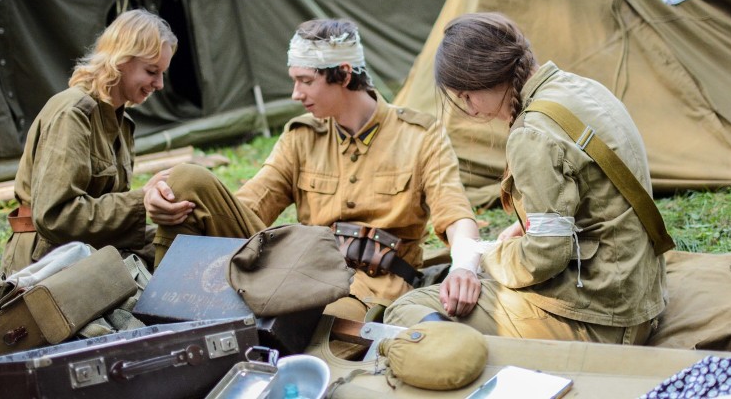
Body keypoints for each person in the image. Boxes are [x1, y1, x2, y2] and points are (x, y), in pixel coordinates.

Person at [145, 19, 481, 321]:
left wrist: (465, 267)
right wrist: (171, 197)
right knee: (186, 180)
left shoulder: (420, 135)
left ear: (344, 74)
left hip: (372, 287)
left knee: (312, 324)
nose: (295, 94)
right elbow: (247, 207)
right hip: (299, 271)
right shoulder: (301, 136)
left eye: (306, 81)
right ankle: (162, 312)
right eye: (295, 80)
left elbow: (455, 214)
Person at [384, 12, 669, 345]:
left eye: (464, 96)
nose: (467, 108)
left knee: (407, 309)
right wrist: (528, 226)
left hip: (604, 319)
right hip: (640, 294)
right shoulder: (579, 87)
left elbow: (545, 256)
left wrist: (484, 256)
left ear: (480, 80)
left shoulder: (531, 134)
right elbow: (598, 189)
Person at [0, 9, 178, 276]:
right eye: (152, 71)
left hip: (90, 245)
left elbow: (104, 206)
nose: (160, 84)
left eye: (162, 73)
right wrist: (141, 201)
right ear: (121, 59)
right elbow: (55, 216)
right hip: (46, 259)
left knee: (183, 245)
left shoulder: (121, 122)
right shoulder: (72, 113)